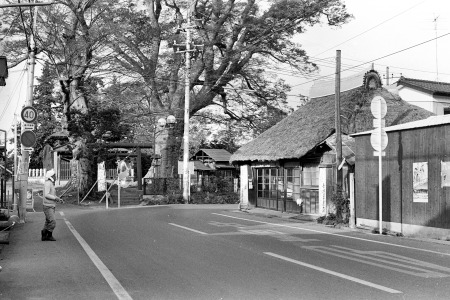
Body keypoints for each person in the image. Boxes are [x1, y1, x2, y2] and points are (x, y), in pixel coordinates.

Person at [41, 169, 63, 241]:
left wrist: (58, 199)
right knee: (52, 221)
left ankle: (44, 235)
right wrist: (55, 198)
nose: (55, 177)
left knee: (48, 221)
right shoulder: (48, 183)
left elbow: (52, 194)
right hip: (48, 206)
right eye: (54, 175)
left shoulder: (50, 183)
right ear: (51, 176)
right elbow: (46, 195)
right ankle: (48, 234)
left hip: (50, 205)